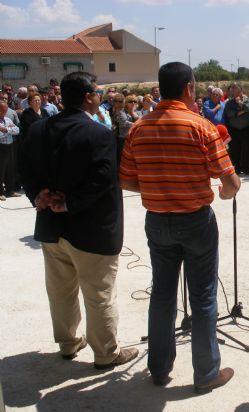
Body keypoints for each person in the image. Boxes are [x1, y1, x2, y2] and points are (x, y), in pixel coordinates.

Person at [119, 62, 240, 391]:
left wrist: (160, 185)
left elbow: (127, 180)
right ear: (188, 88)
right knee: (202, 298)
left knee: (161, 294)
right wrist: (225, 193)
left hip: (157, 220)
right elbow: (230, 182)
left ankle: (158, 369)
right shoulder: (200, 127)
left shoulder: (138, 128)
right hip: (196, 220)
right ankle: (206, 374)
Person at [18, 71, 138, 368]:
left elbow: (25, 169)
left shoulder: (39, 130)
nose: (100, 97)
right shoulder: (97, 133)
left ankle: (68, 343)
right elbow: (103, 181)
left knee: (60, 291)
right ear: (88, 97)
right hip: (91, 229)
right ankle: (106, 352)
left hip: (51, 227)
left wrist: (38, 196)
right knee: (98, 294)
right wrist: (69, 203)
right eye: (97, 92)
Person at [225, 83, 249, 174]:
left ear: (240, 90)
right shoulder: (229, 102)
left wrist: (240, 103)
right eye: (232, 89)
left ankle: (246, 168)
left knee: (246, 149)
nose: (233, 90)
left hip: (246, 129)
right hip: (233, 129)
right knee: (234, 149)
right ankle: (236, 168)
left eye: (235, 89)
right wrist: (241, 112)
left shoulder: (247, 99)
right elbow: (229, 113)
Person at [0, 96, 20, 201]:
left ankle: (10, 190)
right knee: (1, 170)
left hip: (10, 146)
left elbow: (17, 130)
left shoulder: (7, 119)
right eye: (2, 110)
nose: (4, 112)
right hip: (1, 148)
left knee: (10, 169)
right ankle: (0, 192)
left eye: (5, 110)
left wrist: (5, 129)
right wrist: (9, 130)